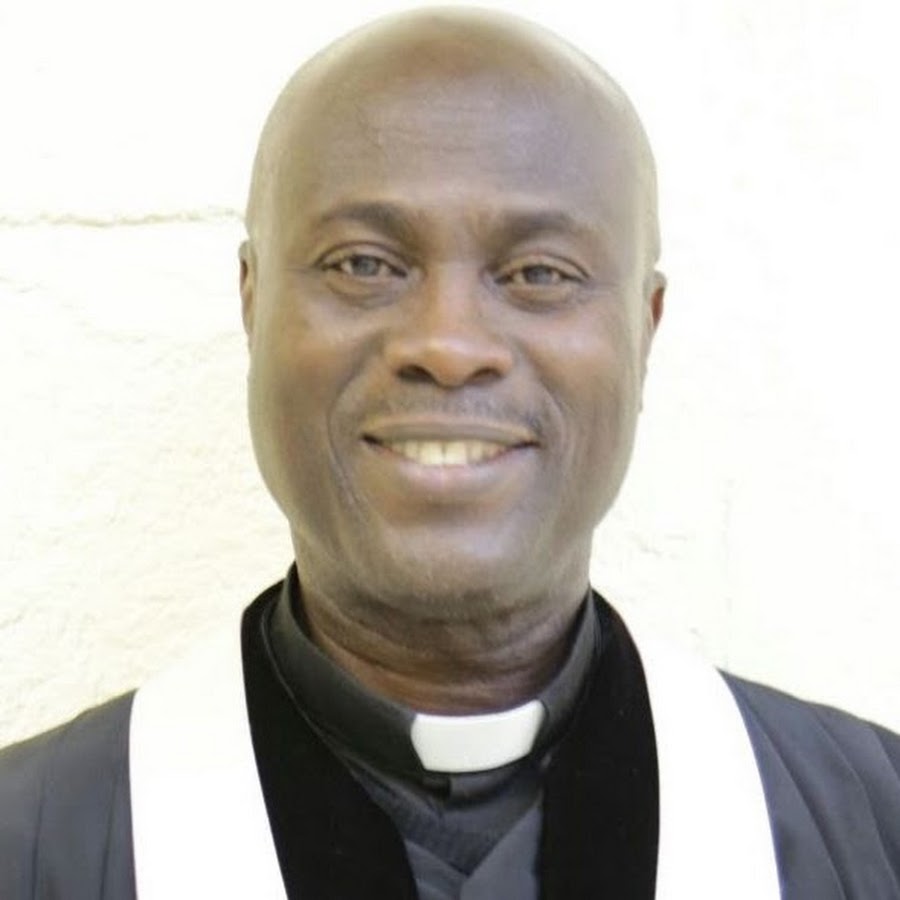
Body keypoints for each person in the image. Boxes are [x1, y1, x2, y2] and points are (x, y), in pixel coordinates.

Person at [1, 8, 898, 899]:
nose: (448, 344)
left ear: (644, 329)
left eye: (539, 273)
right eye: (362, 263)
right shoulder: (32, 845)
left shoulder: (871, 829)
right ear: (252, 301)